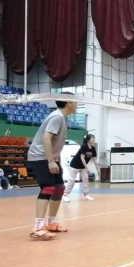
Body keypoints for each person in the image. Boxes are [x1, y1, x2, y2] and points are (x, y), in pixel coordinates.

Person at [28, 93, 77, 240]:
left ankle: (50, 223)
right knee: (48, 188)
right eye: (75, 101)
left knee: (59, 188)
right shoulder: (57, 117)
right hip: (40, 157)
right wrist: (50, 161)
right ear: (68, 102)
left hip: (50, 157)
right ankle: (37, 227)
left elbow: (55, 144)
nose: (77, 103)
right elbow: (46, 137)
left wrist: (56, 160)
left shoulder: (62, 118)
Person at [63, 134, 97, 202]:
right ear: (88, 140)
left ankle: (86, 194)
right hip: (74, 165)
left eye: (94, 138)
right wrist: (87, 168)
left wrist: (98, 169)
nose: (94, 139)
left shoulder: (93, 149)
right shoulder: (84, 146)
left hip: (83, 167)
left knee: (85, 179)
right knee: (72, 181)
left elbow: (95, 160)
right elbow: (82, 157)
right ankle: (65, 195)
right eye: (92, 138)